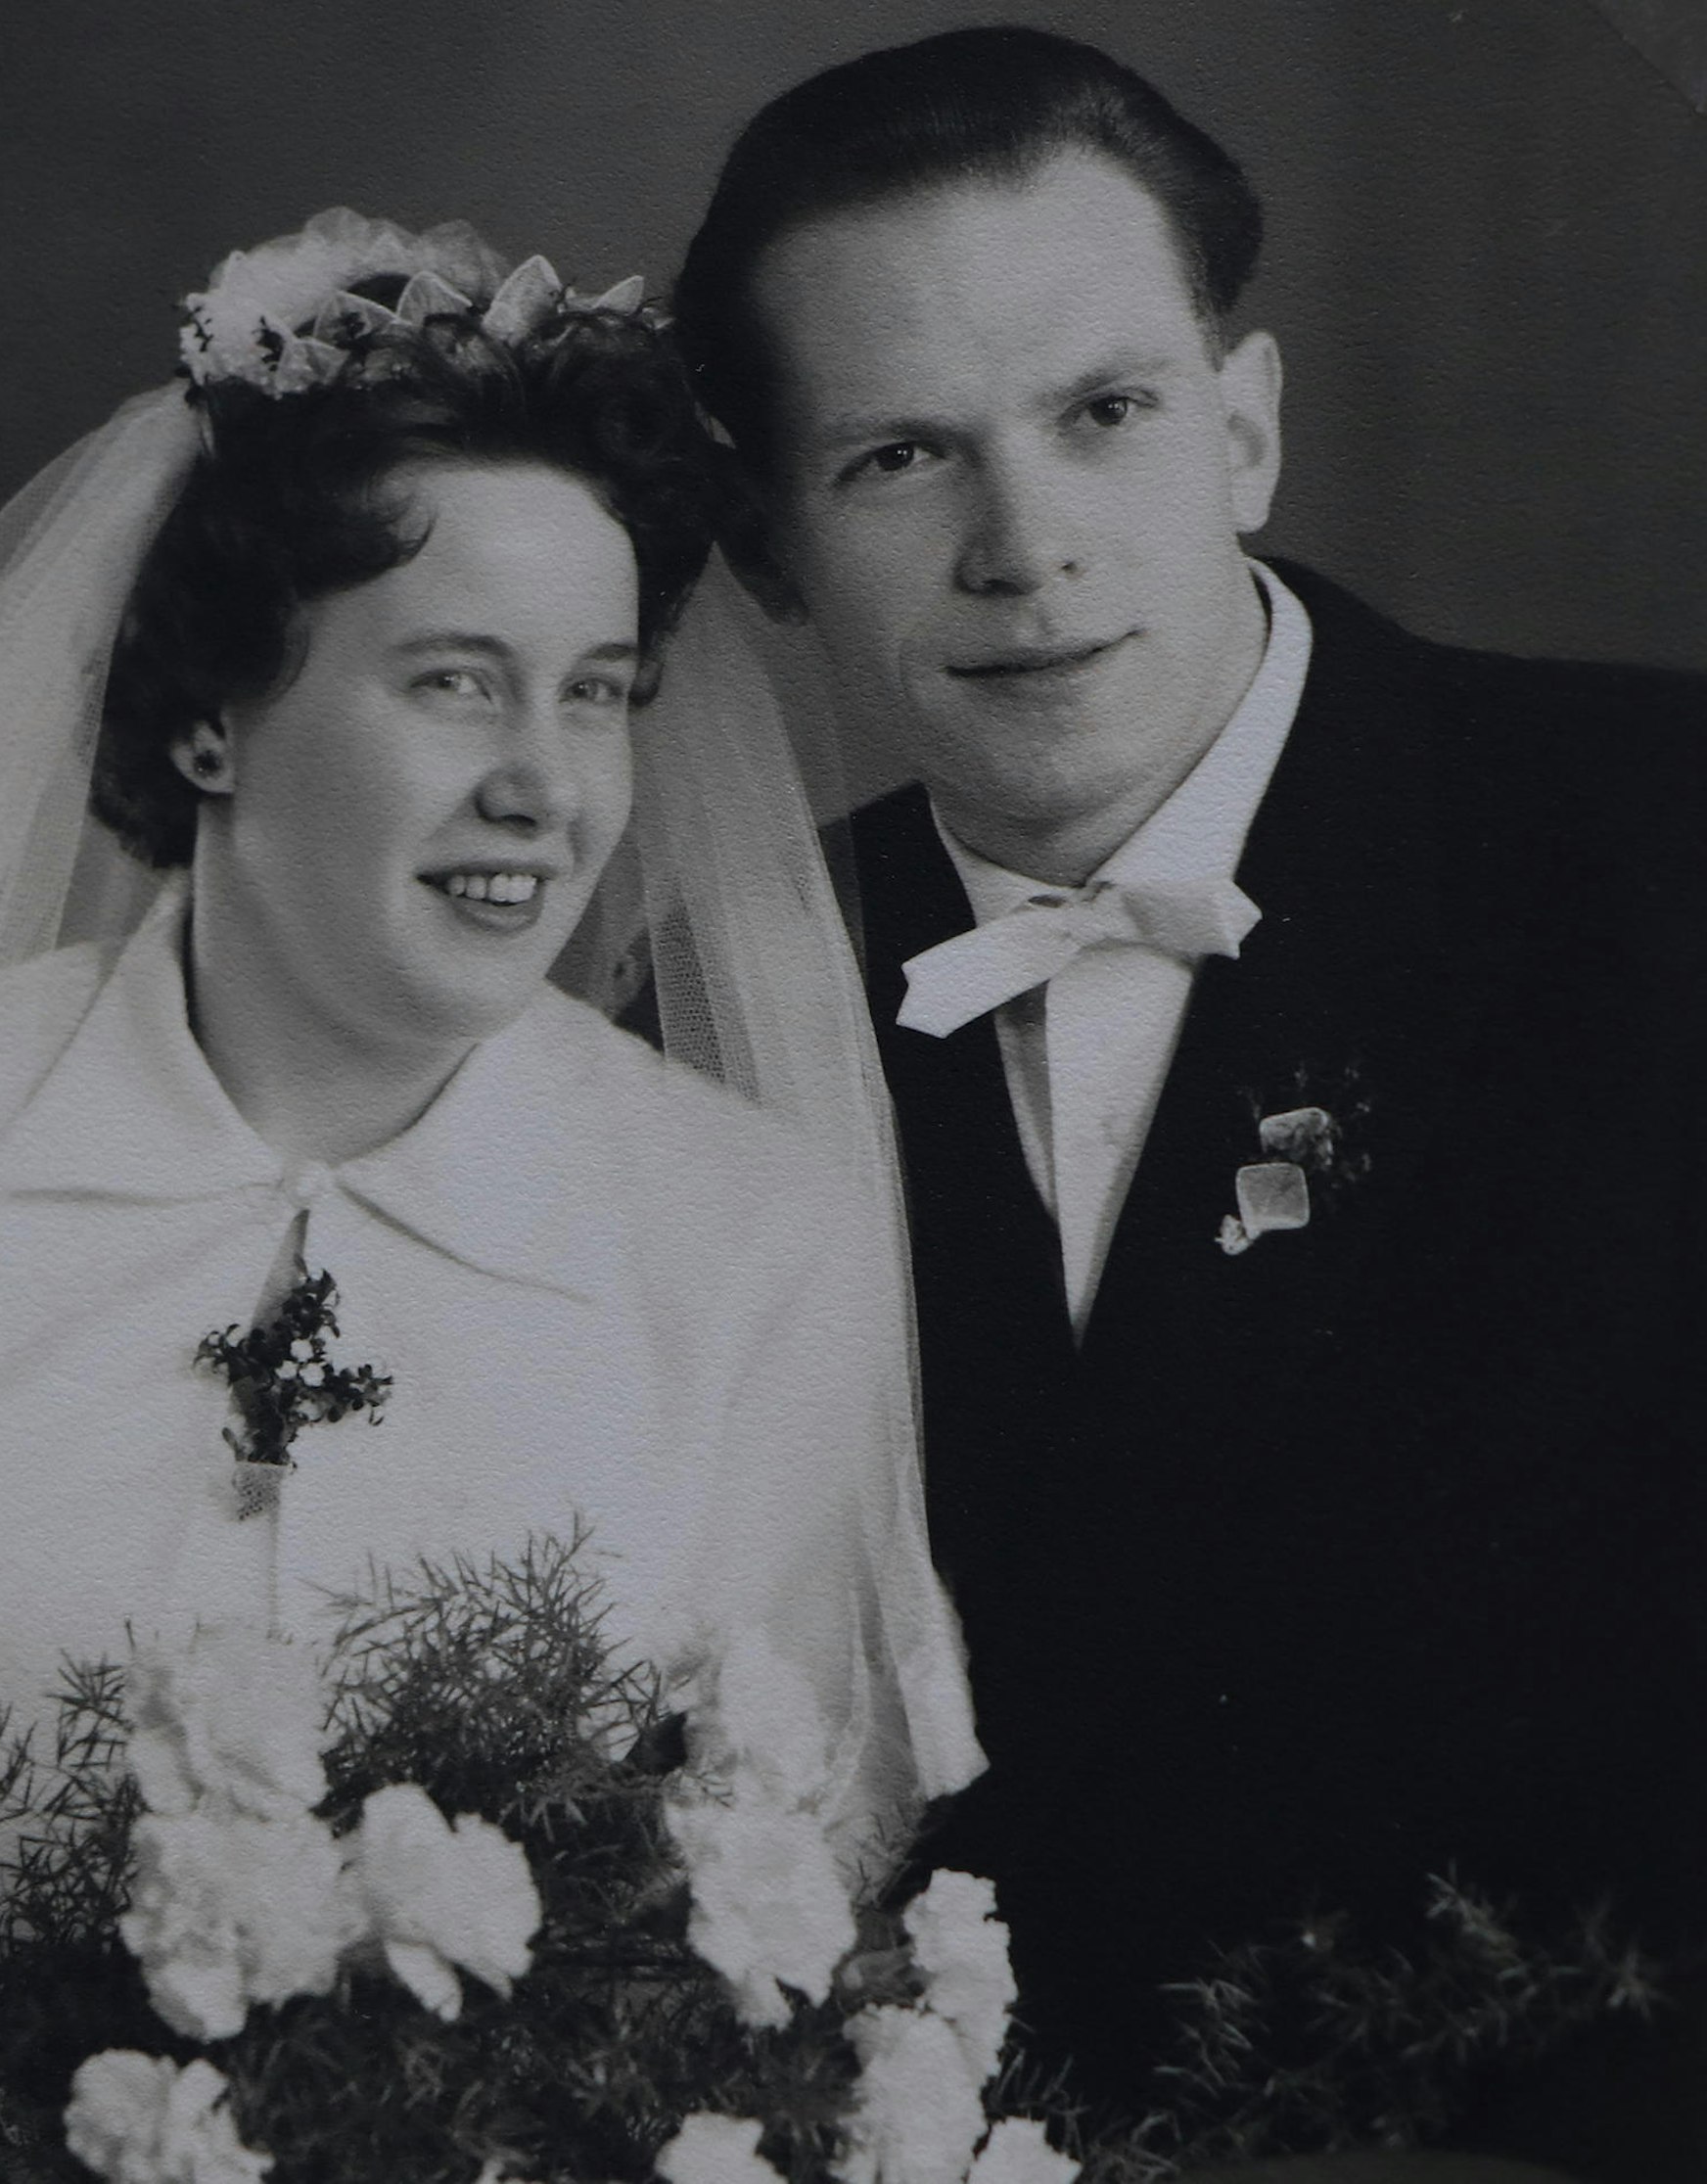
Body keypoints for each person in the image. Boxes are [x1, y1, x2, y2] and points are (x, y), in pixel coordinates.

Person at [0, 209, 980, 2176]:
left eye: (593, 692)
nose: (546, 786)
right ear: (210, 711)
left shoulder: (752, 1246)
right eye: (452, 681)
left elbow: (770, 1924)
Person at [673, 24, 1707, 2160]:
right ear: (768, 550)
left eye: (1104, 413)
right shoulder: (683, 1029)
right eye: (895, 459)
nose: (1022, 548)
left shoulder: (1655, 842)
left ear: (1242, 427)